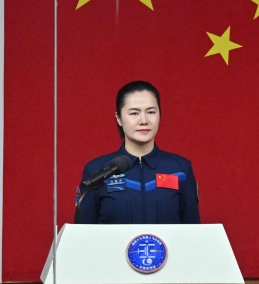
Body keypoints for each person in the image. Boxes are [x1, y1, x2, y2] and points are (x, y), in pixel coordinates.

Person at [75, 80, 199, 224]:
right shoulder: (97, 170)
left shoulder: (180, 169)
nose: (144, 120)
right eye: (134, 113)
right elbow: (82, 236)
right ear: (119, 118)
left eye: (151, 112)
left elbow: (193, 234)